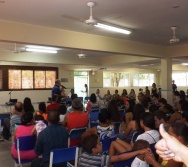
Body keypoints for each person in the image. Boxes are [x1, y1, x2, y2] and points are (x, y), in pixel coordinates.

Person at [79, 133, 150, 167]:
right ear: (94, 149)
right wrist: (138, 151)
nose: (101, 143)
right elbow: (120, 157)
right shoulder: (100, 158)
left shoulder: (83, 156)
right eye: (99, 144)